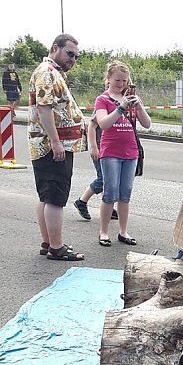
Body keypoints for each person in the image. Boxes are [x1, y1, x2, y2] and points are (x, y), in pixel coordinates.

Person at [28, 34, 86, 261]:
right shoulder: (47, 73)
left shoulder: (51, 72)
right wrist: (55, 142)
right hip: (51, 146)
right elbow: (45, 108)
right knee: (55, 197)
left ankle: (48, 242)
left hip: (48, 145)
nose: (73, 59)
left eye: (76, 56)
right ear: (55, 48)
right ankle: (57, 247)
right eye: (69, 53)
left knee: (46, 196)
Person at [95, 60, 150, 247]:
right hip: (111, 151)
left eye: (125, 81)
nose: (121, 84)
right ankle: (103, 232)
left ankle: (123, 231)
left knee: (125, 193)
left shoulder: (133, 98)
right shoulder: (102, 99)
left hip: (130, 151)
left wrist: (139, 107)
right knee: (110, 192)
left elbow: (147, 124)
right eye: (118, 80)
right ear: (109, 78)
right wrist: (120, 108)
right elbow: (103, 124)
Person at [72, 113, 118, 221]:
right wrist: (93, 147)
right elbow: (91, 126)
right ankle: (82, 202)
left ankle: (108, 207)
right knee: (103, 179)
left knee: (110, 179)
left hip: (111, 149)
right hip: (100, 149)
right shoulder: (104, 104)